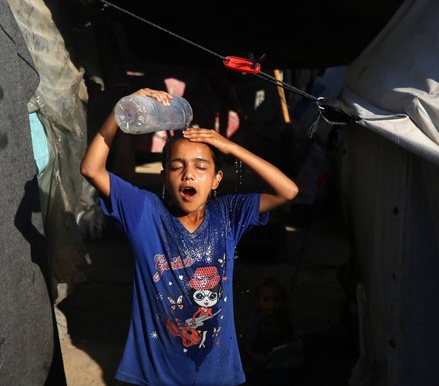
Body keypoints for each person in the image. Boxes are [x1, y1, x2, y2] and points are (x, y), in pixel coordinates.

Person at [80, 88, 299, 386]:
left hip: (216, 373)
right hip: (156, 375)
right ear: (163, 178)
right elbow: (91, 169)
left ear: (216, 180)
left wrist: (229, 146)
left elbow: (288, 191)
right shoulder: (145, 214)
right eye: (177, 166)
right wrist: (121, 112)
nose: (188, 175)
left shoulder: (227, 216)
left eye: (200, 166)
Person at [241, 276, 304, 385]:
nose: (272, 304)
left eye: (277, 300)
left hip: (281, 355)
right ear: (258, 301)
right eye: (266, 299)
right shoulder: (256, 323)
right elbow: (248, 347)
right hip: (265, 359)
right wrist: (258, 357)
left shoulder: (283, 317)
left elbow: (290, 335)